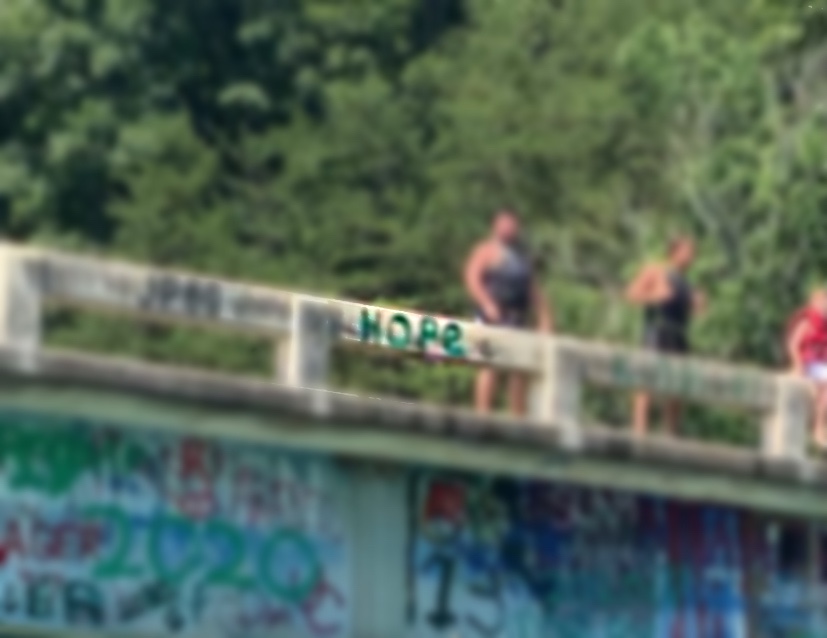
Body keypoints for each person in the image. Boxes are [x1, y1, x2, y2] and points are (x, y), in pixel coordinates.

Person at [463, 210, 553, 415]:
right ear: (495, 225)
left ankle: (517, 417)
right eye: (504, 224)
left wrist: (544, 318)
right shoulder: (486, 251)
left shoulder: (522, 257)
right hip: (491, 316)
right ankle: (482, 414)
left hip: (516, 317)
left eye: (512, 224)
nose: (508, 228)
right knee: (489, 365)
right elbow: (472, 278)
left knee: (519, 368)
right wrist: (487, 303)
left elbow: (533, 289)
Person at [625, 236, 706, 436]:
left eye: (693, 253)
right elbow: (631, 294)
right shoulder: (656, 271)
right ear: (675, 252)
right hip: (657, 331)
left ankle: (671, 431)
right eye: (688, 252)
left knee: (677, 385)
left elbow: (693, 312)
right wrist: (655, 296)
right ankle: (639, 429)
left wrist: (697, 304)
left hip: (678, 335)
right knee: (647, 379)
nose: (691, 257)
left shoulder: (686, 282)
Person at [786, 288, 827, 448]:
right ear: (815, 304)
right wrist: (798, 365)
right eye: (823, 304)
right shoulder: (807, 323)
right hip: (806, 363)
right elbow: (793, 345)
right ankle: (815, 428)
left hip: (820, 365)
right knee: (819, 388)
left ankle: (818, 428)